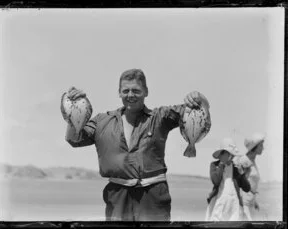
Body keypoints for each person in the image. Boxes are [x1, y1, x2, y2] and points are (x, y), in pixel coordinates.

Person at [61, 68, 210, 221]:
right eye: (126, 91)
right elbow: (75, 139)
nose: (130, 95)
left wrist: (200, 99)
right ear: (119, 92)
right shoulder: (102, 121)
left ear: (146, 92)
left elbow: (196, 111)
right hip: (117, 196)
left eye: (136, 91)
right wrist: (74, 107)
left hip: (153, 196)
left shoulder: (160, 117)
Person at [205, 138, 251, 221]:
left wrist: (242, 174)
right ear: (223, 153)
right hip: (218, 203)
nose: (232, 156)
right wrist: (222, 164)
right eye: (230, 154)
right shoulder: (214, 165)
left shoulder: (236, 168)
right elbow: (216, 181)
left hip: (234, 205)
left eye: (233, 154)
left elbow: (247, 188)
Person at [235, 133, 265, 221]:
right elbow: (236, 181)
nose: (263, 148)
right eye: (261, 145)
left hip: (250, 204)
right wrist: (241, 202)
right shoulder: (244, 160)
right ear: (254, 147)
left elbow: (250, 183)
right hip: (244, 205)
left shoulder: (253, 162)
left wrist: (254, 201)